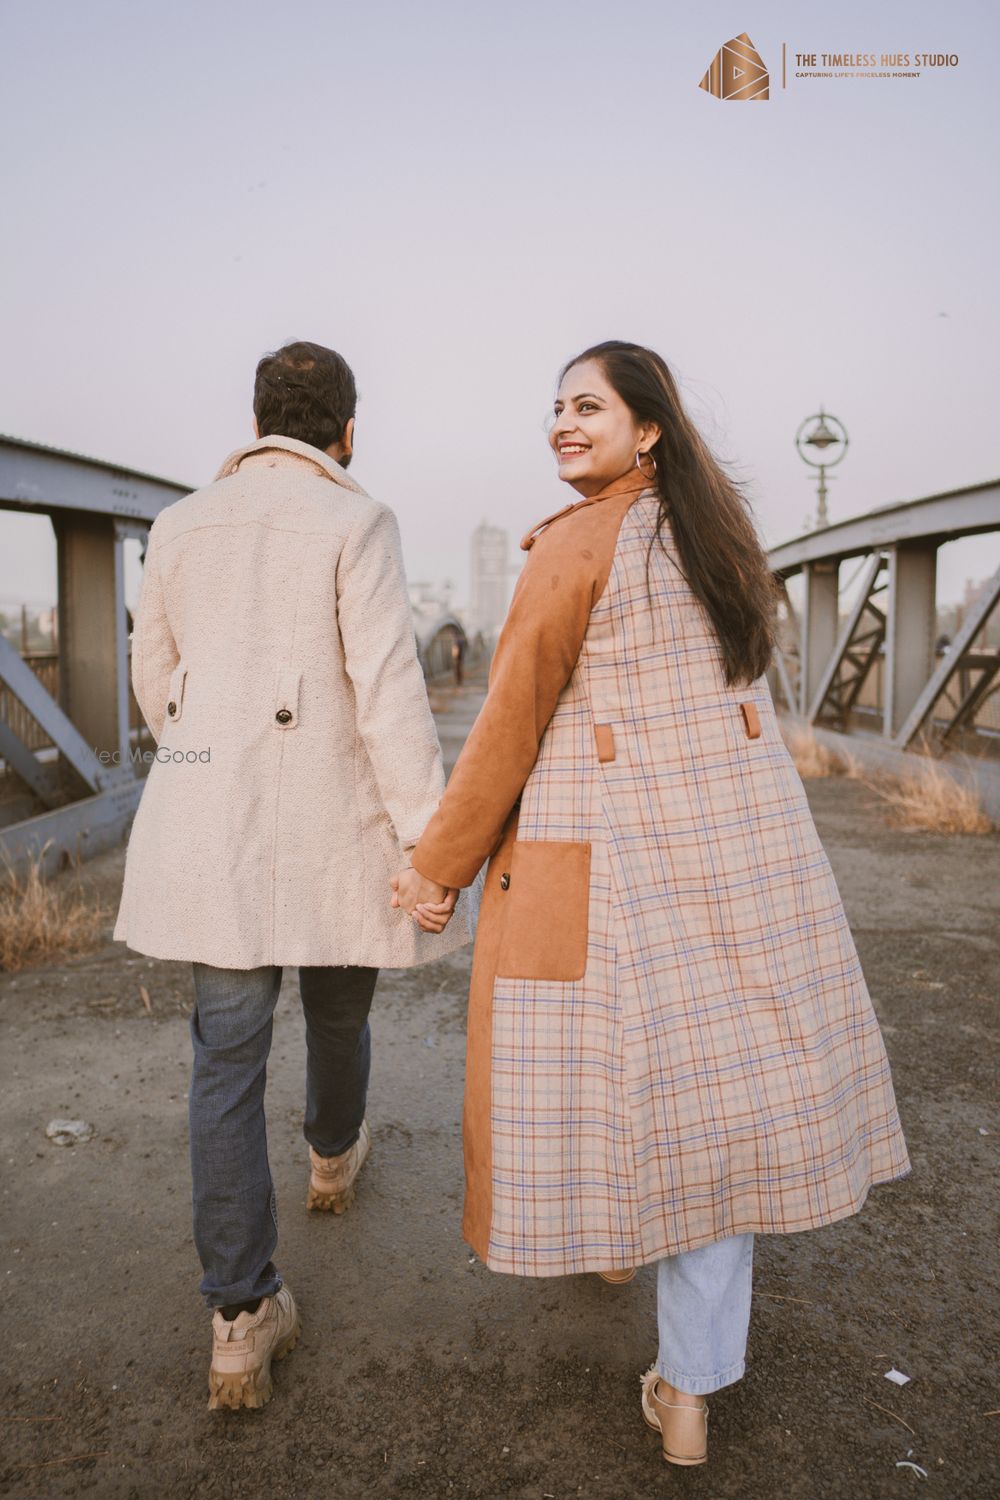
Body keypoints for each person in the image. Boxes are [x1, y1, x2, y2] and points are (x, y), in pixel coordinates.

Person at [393, 340, 911, 1466]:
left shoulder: (575, 545)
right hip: (740, 863)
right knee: (714, 1107)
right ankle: (688, 1389)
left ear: (648, 427)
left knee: (619, 1083)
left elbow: (508, 726)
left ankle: (631, 1278)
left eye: (589, 406)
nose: (562, 423)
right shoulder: (719, 541)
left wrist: (436, 866)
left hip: (615, 862)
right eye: (556, 407)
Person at [113, 339, 467, 1411]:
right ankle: (329, 1154)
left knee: (224, 1061)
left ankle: (237, 1314)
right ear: (345, 432)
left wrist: (208, 753)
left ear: (257, 417)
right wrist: (428, 841)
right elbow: (388, 692)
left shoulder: (177, 526)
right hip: (330, 825)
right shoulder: (355, 519)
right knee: (340, 1010)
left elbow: (152, 679)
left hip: (212, 824)